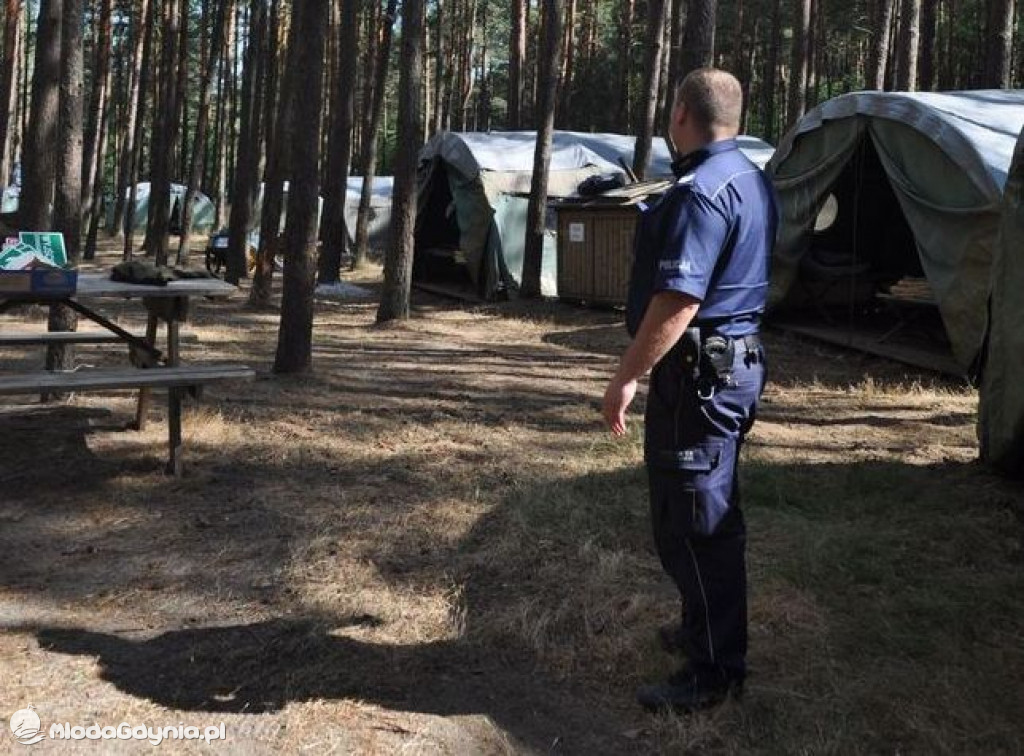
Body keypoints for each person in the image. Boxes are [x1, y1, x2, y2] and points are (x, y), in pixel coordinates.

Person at [602, 68, 777, 713]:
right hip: (728, 370)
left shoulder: (703, 191)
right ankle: (699, 629)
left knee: (698, 521)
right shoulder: (753, 180)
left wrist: (625, 377)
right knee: (694, 509)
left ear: (680, 114)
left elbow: (679, 299)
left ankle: (715, 671)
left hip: (701, 380)